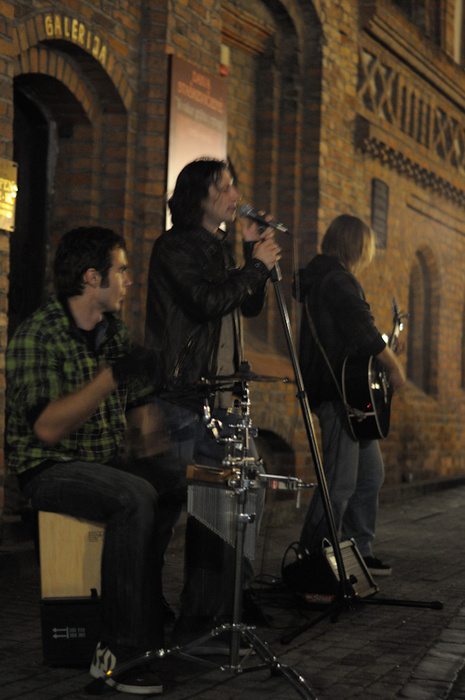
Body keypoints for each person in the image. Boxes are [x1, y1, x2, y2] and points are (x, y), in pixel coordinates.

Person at [5, 226, 168, 695]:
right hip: (48, 467)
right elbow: (47, 428)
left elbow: (139, 402)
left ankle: (155, 616)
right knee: (133, 497)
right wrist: (110, 378)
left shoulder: (111, 331)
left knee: (175, 485)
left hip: (103, 459)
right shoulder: (38, 334)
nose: (128, 280)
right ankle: (117, 653)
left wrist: (150, 440)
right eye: (121, 270)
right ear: (93, 277)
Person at [144, 157, 281, 651]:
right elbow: (205, 301)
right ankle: (150, 610)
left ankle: (206, 615)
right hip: (181, 396)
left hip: (219, 398)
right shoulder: (176, 246)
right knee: (169, 511)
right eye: (222, 187)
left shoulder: (220, 248)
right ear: (197, 196)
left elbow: (248, 304)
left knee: (223, 506)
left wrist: (250, 254)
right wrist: (254, 266)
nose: (233, 194)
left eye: (232, 185)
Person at [296, 214, 405, 576]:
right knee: (339, 483)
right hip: (338, 394)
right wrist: (393, 364)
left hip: (347, 393)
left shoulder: (324, 278)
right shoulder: (338, 280)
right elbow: (362, 328)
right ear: (357, 246)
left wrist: (384, 345)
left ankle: (358, 550)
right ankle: (313, 559)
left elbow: (352, 337)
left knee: (370, 475)